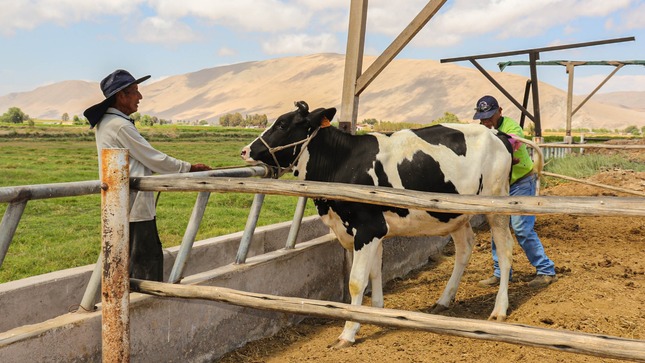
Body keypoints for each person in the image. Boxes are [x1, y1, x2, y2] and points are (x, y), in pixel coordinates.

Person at [84, 69, 212, 281]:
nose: (140, 97)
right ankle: (146, 305)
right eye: (135, 92)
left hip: (120, 203)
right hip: (133, 206)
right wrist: (189, 168)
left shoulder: (109, 123)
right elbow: (154, 158)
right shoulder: (119, 125)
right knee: (144, 262)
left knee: (123, 260)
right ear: (121, 96)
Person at [473, 95, 557, 288]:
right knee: (498, 226)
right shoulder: (481, 131)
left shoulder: (512, 129)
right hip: (499, 185)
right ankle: (502, 271)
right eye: (482, 117)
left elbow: (509, 153)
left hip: (520, 182)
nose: (485, 121)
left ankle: (546, 270)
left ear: (499, 111)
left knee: (521, 228)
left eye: (489, 116)